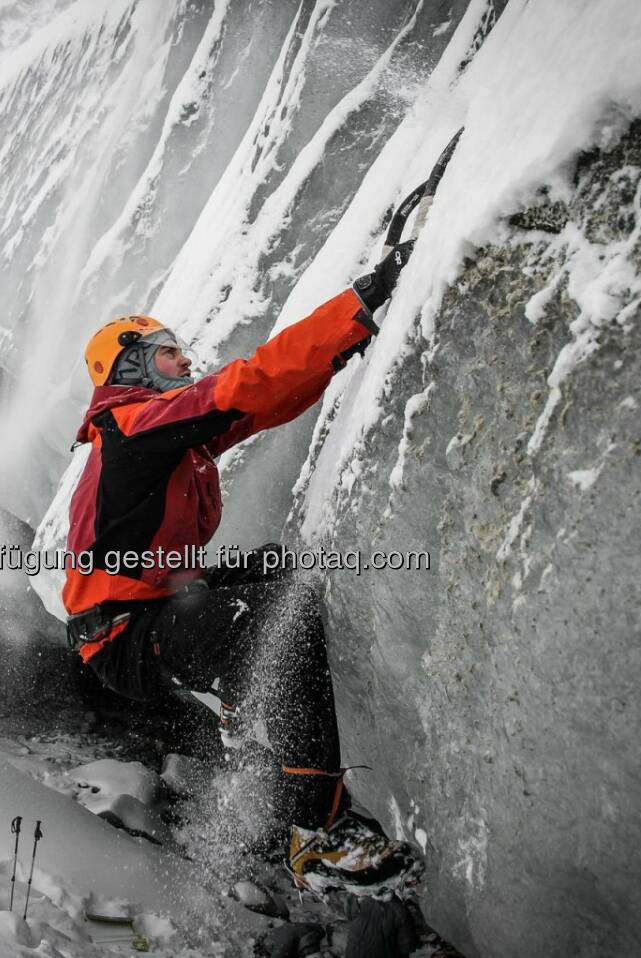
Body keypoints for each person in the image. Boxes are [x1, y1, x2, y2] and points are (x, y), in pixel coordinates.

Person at [62, 241, 416, 891]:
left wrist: (345, 341)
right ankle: (316, 833)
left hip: (150, 605)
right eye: (169, 350)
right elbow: (250, 381)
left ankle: (258, 733)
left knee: (278, 571)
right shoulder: (137, 426)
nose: (185, 358)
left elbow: (262, 399)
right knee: (284, 617)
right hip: (122, 632)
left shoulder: (156, 431)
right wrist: (363, 300)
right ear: (132, 365)